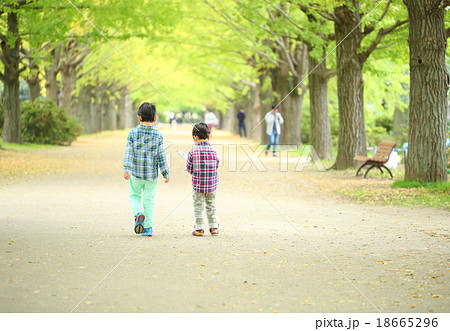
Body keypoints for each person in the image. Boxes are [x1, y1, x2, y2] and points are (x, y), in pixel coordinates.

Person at [123, 102, 170, 237]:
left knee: (134, 195)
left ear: (139, 117)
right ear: (155, 119)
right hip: (151, 176)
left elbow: (128, 153)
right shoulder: (158, 135)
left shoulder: (132, 133)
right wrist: (165, 173)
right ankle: (148, 228)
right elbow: (161, 155)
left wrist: (127, 168)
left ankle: (138, 213)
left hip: (136, 174)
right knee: (149, 200)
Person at [186, 123, 220, 236]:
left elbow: (189, 169)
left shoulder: (192, 152)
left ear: (195, 138)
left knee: (198, 206)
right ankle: (214, 226)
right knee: (211, 205)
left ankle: (199, 228)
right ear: (209, 137)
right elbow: (216, 165)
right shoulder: (213, 151)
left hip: (198, 186)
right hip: (211, 186)